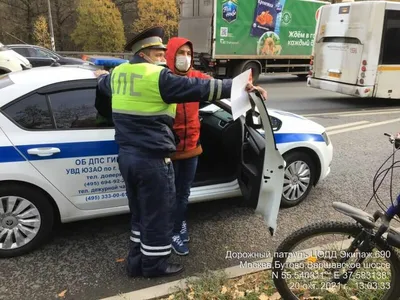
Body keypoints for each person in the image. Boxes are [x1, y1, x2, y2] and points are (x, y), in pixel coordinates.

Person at [95, 26, 267, 278]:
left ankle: (136, 261)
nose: (163, 58)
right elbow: (202, 89)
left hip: (127, 157)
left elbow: (100, 87)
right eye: (158, 53)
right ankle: (155, 266)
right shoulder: (158, 77)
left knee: (140, 213)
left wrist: (99, 75)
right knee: (159, 214)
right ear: (144, 54)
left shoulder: (118, 74)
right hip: (152, 161)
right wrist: (241, 86)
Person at [165, 37, 211, 255]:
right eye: (180, 52)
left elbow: (219, 85)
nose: (185, 57)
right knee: (170, 194)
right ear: (171, 54)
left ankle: (178, 224)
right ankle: (171, 232)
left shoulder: (196, 78)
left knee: (183, 193)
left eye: (188, 53)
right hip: (169, 150)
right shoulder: (162, 78)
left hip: (192, 147)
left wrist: (249, 86)